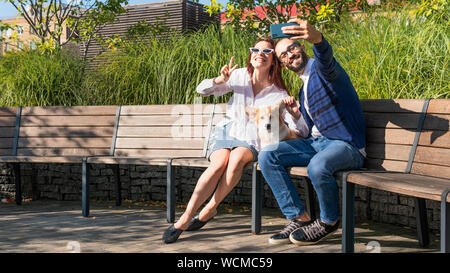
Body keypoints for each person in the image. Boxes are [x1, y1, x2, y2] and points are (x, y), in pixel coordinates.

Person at [162, 37, 305, 244]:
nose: (260, 54)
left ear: (274, 59)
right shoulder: (238, 76)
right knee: (219, 163)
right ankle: (186, 217)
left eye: (266, 51)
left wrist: (295, 114)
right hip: (227, 131)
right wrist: (221, 80)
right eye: (255, 49)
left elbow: (294, 129)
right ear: (251, 54)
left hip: (251, 139)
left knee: (236, 160)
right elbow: (201, 90)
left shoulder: (278, 93)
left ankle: (211, 207)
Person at [258, 19, 366, 246]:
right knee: (268, 155)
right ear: (283, 64)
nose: (289, 55)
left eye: (292, 48)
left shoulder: (322, 70)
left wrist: (317, 38)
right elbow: (308, 132)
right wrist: (297, 115)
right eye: (283, 56)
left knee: (318, 165)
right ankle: (299, 217)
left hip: (346, 145)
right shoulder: (303, 89)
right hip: (317, 144)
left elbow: (326, 58)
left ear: (302, 47)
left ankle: (328, 222)